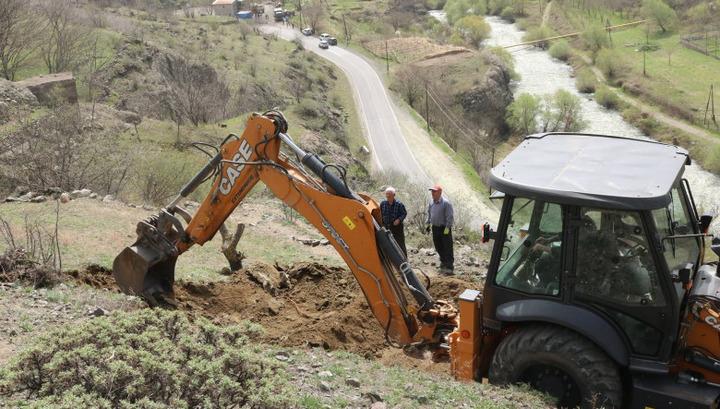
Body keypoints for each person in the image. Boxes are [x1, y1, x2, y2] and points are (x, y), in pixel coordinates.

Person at [426, 185, 454, 274]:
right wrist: (428, 225)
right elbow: (429, 214)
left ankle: (449, 266)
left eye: (434, 191)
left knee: (447, 247)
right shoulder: (431, 203)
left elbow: (450, 217)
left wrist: (447, 229)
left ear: (440, 192)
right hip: (435, 228)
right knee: (438, 246)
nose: (432, 193)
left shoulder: (446, 203)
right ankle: (443, 262)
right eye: (432, 191)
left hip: (444, 228)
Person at [380, 186, 408, 257]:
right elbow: (380, 214)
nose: (388, 195)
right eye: (386, 194)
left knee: (400, 243)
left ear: (394, 195)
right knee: (389, 243)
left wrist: (399, 220)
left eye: (389, 194)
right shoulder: (383, 204)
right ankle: (393, 259)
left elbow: (404, 213)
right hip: (386, 226)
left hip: (397, 227)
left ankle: (404, 258)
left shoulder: (399, 204)